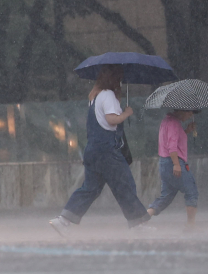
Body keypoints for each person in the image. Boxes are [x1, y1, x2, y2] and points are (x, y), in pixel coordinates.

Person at [49, 64, 152, 235]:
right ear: (114, 78)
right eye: (118, 77)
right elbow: (112, 120)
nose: (120, 81)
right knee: (124, 184)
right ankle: (138, 224)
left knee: (90, 188)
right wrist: (126, 113)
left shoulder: (94, 97)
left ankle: (63, 220)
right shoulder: (108, 95)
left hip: (93, 150)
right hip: (107, 151)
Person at [147, 109, 198, 230]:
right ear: (181, 110)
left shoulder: (167, 121)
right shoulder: (174, 123)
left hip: (164, 163)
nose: (191, 116)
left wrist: (187, 131)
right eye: (189, 113)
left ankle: (142, 218)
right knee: (191, 191)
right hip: (173, 162)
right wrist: (176, 164)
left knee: (166, 197)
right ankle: (191, 225)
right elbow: (172, 147)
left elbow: (173, 140)